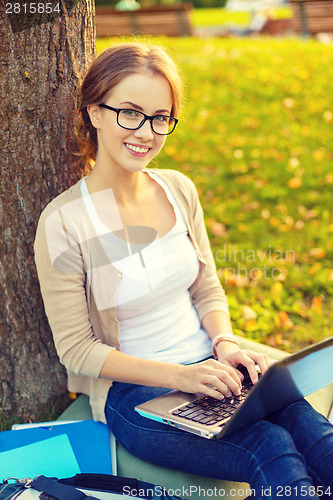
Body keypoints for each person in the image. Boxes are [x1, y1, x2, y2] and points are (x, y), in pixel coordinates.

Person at [34, 42, 333, 499]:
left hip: (213, 368)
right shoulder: (64, 222)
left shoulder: (177, 188)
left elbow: (206, 285)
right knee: (269, 447)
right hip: (136, 394)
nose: (146, 132)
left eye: (160, 118)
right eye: (130, 113)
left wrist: (225, 343)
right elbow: (77, 351)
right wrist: (181, 377)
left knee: (314, 432)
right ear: (95, 112)